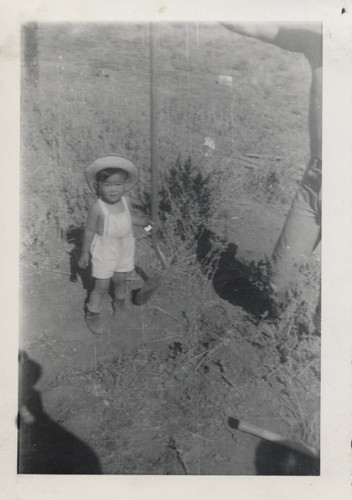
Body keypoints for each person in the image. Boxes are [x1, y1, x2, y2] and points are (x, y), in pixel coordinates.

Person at [222, 23, 322, 329]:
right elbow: (258, 28)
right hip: (316, 179)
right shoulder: (319, 44)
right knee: (277, 279)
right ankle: (279, 326)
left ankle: (316, 350)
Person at [78, 155, 150, 334]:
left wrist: (148, 225)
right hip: (105, 251)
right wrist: (85, 251)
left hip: (125, 248)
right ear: (98, 186)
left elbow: (130, 217)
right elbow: (89, 231)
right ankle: (93, 312)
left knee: (120, 280)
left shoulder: (126, 201)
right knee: (101, 286)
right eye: (107, 185)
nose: (113, 190)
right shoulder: (98, 208)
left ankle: (119, 301)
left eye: (118, 184)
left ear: (126, 185)